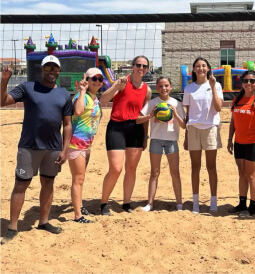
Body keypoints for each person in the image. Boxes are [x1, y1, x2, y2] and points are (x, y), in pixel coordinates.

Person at [1, 55, 73, 244]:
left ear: (59, 71)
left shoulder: (64, 94)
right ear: (41, 70)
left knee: (48, 183)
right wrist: (4, 81)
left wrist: (65, 150)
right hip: (29, 146)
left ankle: (43, 221)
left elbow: (67, 124)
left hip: (53, 148)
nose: (51, 71)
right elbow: (2, 101)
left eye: (54, 68)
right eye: (47, 68)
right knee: (21, 185)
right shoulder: (28, 87)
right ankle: (12, 227)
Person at [100, 55, 152, 215]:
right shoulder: (123, 83)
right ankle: (103, 203)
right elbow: (102, 100)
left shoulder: (147, 90)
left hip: (135, 129)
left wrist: (145, 136)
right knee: (116, 168)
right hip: (117, 127)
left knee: (131, 168)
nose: (141, 68)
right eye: (138, 65)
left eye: (144, 66)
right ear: (132, 66)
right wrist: (116, 86)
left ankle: (126, 202)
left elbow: (144, 115)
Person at [227, 70, 255, 217]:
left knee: (251, 175)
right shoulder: (237, 100)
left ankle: (253, 207)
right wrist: (229, 139)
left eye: (252, 81)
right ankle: (242, 203)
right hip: (239, 142)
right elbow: (233, 121)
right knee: (241, 174)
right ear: (242, 82)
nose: (249, 83)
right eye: (246, 80)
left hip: (254, 143)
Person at [137, 76, 186, 212]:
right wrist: (150, 116)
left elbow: (183, 126)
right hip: (156, 140)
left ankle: (179, 204)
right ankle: (150, 203)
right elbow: (138, 119)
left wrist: (175, 114)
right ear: (156, 88)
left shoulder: (177, 103)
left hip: (171, 140)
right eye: (160, 86)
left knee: (175, 172)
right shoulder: (153, 103)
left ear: (170, 87)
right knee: (154, 172)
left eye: (166, 85)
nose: (163, 88)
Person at [183, 57, 223, 214]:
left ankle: (213, 200)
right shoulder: (189, 88)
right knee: (195, 167)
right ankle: (195, 202)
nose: (201, 68)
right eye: (198, 66)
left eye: (203, 66)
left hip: (210, 127)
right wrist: (186, 135)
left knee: (211, 166)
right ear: (193, 70)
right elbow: (187, 114)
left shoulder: (216, 85)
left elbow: (219, 108)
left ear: (208, 68)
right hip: (193, 128)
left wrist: (212, 87)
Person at [67, 68, 103, 224]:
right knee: (78, 179)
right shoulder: (82, 96)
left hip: (86, 144)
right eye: (93, 78)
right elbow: (78, 110)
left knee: (80, 178)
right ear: (86, 80)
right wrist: (81, 91)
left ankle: (79, 206)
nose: (97, 81)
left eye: (100, 78)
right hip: (76, 144)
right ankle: (77, 216)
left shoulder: (94, 98)